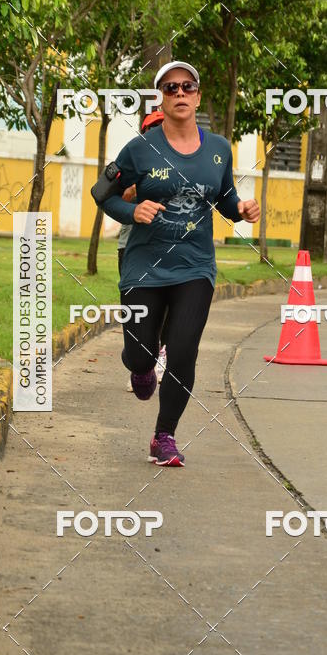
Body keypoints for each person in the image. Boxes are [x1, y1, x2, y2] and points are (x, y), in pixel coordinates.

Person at [97, 61, 260, 466]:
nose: (180, 93)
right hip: (144, 266)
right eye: (171, 88)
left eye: (187, 86)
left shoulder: (220, 149)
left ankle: (163, 436)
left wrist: (239, 208)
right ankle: (140, 367)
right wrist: (130, 212)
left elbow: (223, 197)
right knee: (140, 354)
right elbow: (103, 193)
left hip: (195, 266)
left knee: (184, 350)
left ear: (198, 95)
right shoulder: (139, 149)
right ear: (161, 98)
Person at [118, 112, 167, 389]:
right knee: (136, 310)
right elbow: (112, 196)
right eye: (152, 129)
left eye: (161, 128)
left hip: (166, 246)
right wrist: (134, 190)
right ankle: (140, 362)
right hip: (130, 245)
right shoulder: (132, 159)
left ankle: (160, 354)